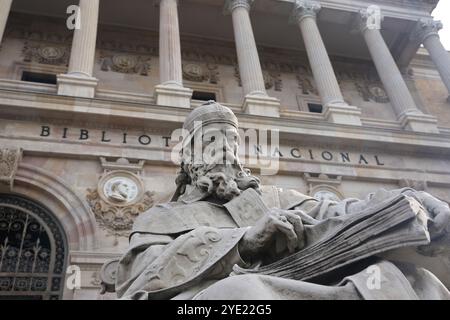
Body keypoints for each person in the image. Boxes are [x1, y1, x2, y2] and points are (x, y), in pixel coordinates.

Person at [115, 101, 450, 300]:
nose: (225, 150)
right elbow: (140, 280)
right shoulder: (161, 217)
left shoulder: (275, 198)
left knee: (403, 276)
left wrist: (411, 199)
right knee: (241, 295)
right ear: (188, 155)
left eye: (232, 140)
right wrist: (242, 244)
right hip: (209, 298)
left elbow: (339, 211)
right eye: (211, 140)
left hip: (301, 284)